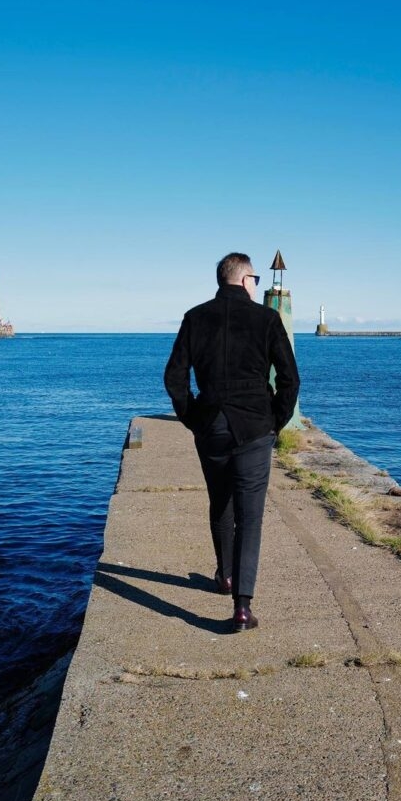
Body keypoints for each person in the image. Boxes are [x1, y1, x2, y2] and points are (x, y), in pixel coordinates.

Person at [164, 252, 300, 632]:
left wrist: (192, 416)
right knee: (250, 517)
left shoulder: (195, 317)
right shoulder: (267, 319)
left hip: (211, 426)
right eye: (255, 278)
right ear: (244, 280)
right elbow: (290, 380)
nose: (257, 284)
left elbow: (175, 378)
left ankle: (224, 576)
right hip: (255, 428)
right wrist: (275, 421)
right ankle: (242, 607)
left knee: (220, 502)